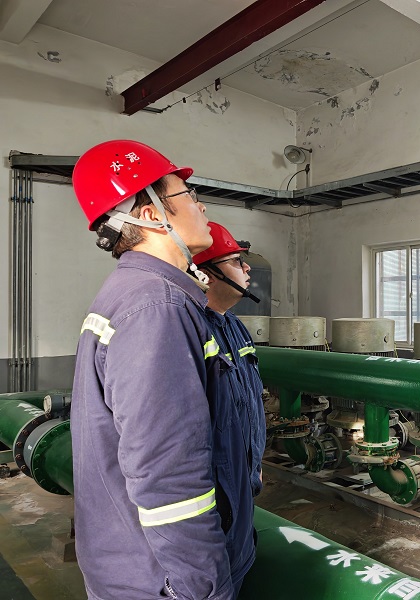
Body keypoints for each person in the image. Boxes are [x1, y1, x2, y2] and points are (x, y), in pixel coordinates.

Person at [71, 140, 255, 599]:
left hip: (145, 568)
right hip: (163, 580)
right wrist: (206, 588)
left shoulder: (141, 293)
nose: (200, 205)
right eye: (188, 194)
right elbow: (170, 478)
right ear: (152, 214)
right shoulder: (157, 306)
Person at [194, 222, 267, 503]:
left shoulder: (236, 326)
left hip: (243, 475)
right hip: (212, 486)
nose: (247, 268)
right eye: (236, 261)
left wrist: (255, 463)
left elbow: (250, 403)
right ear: (206, 275)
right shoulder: (191, 330)